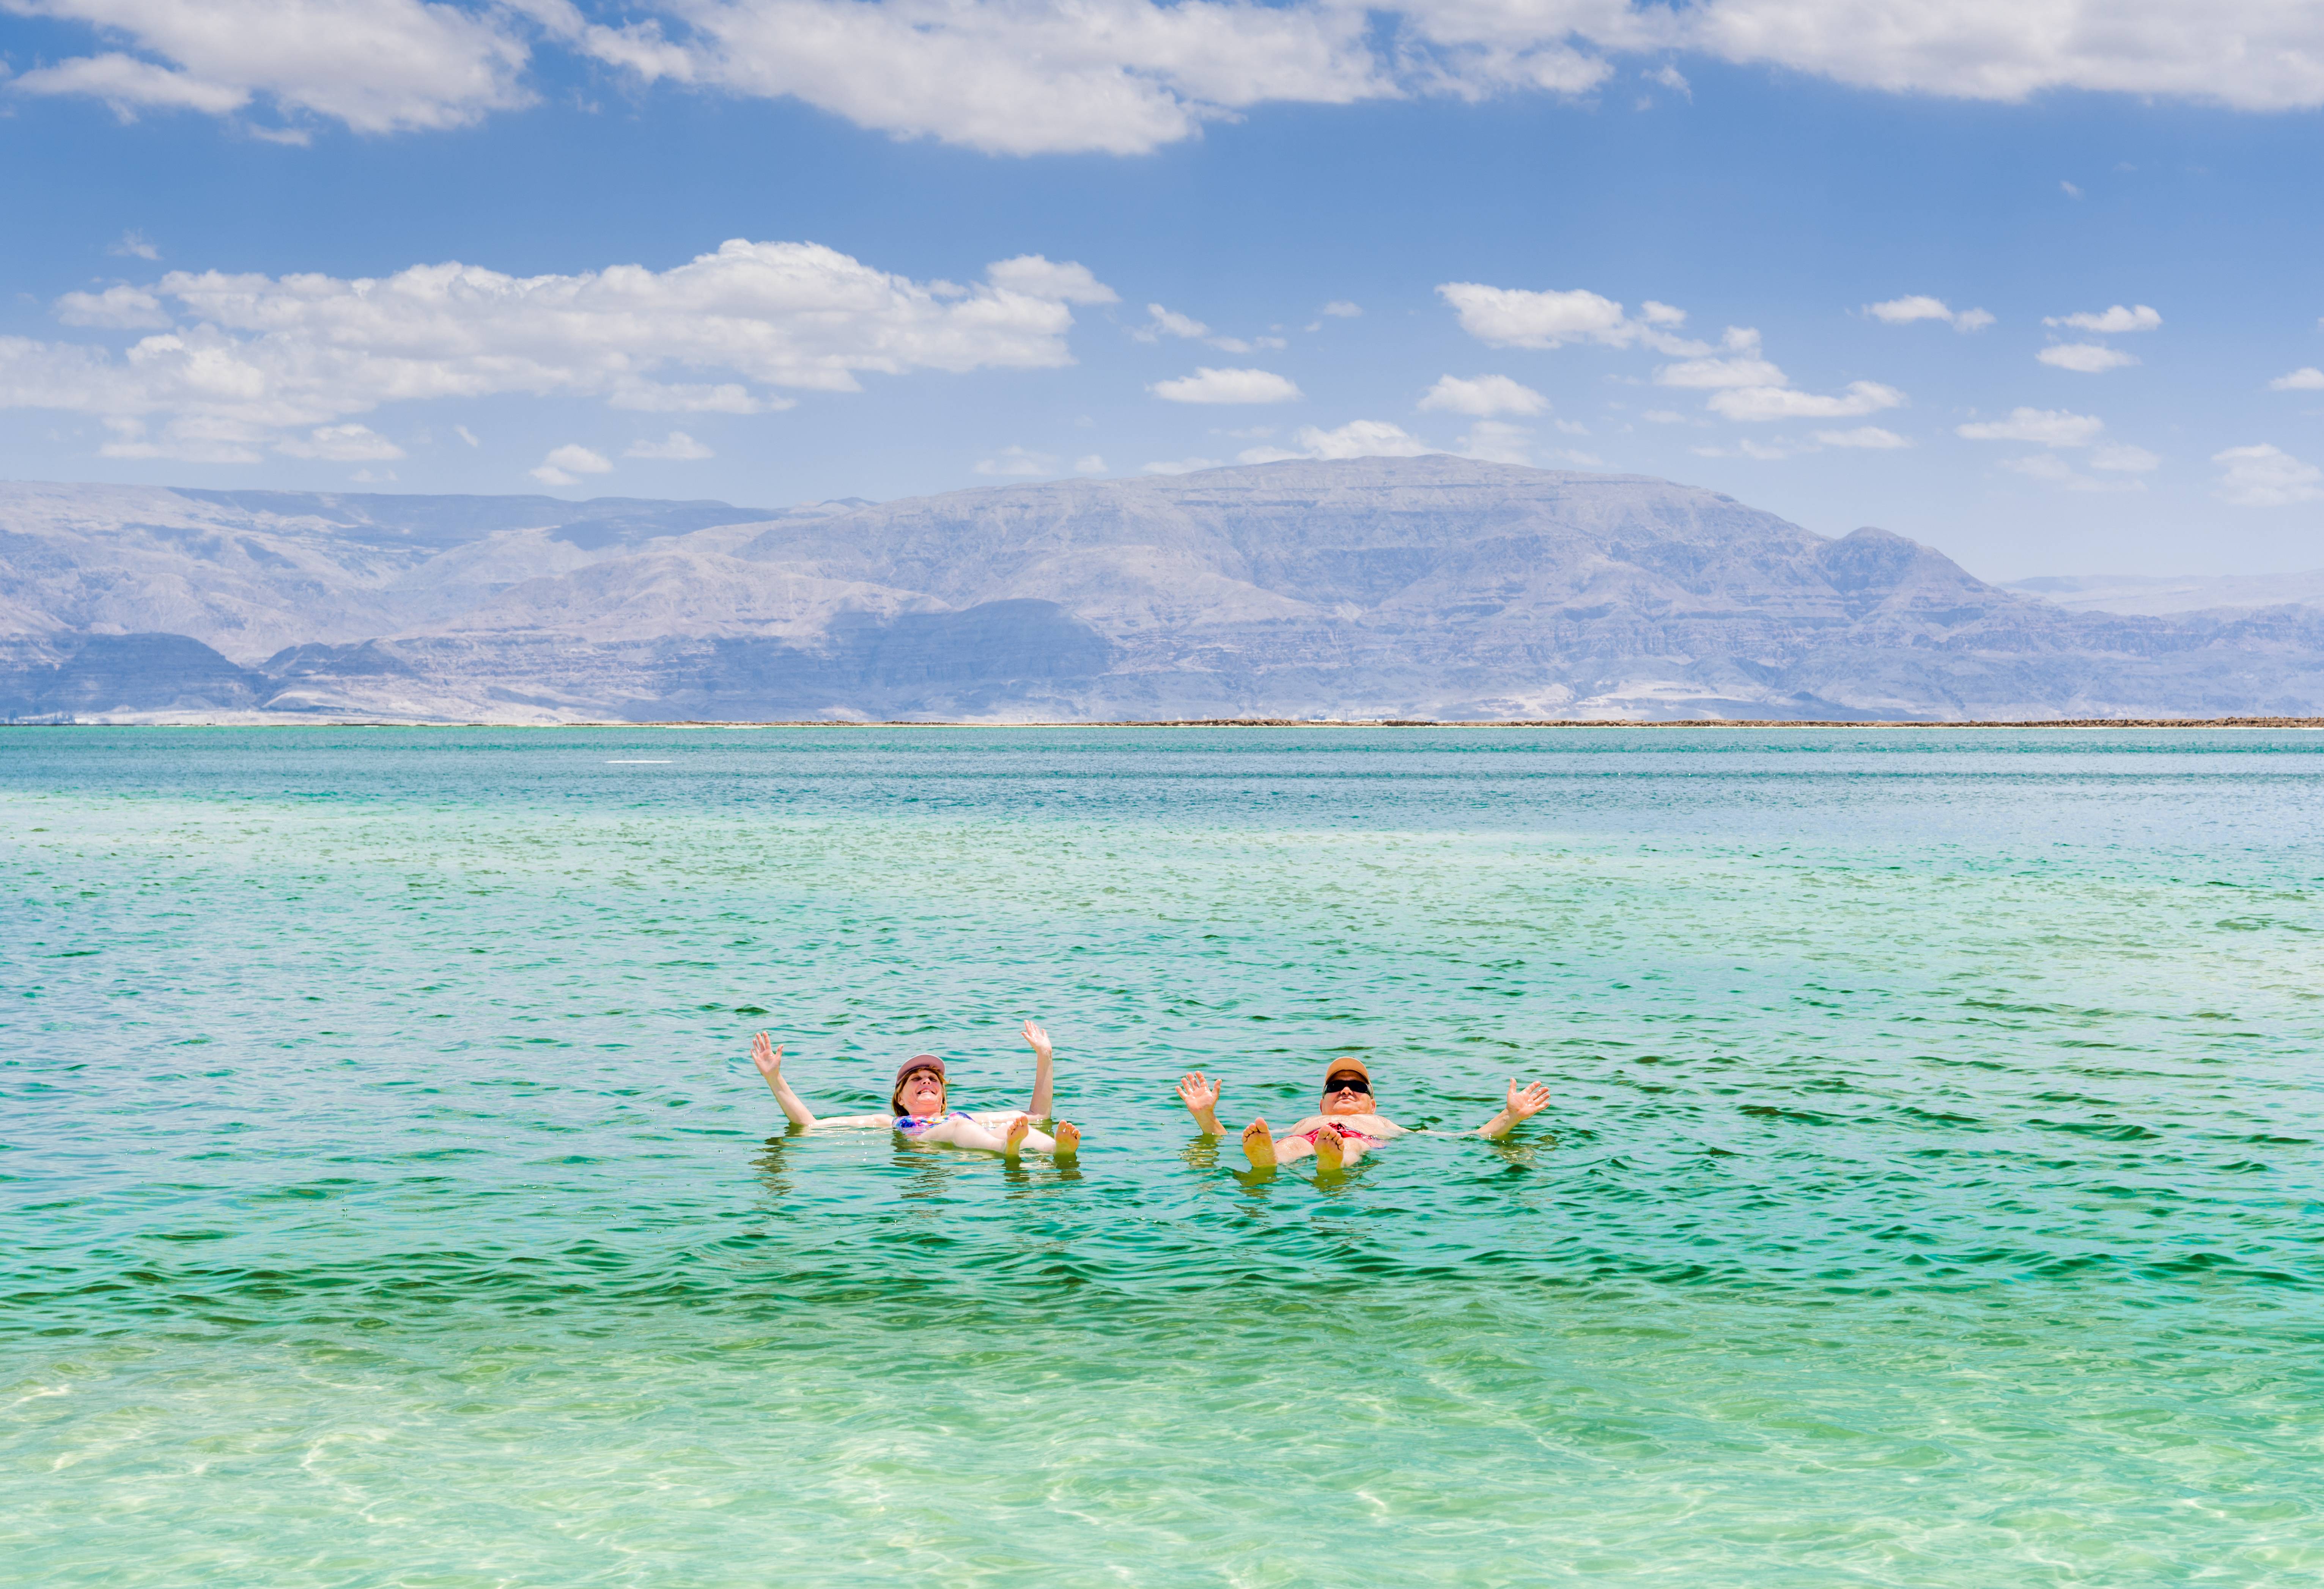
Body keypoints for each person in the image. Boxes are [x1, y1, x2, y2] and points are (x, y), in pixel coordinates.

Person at [747, 1019, 1081, 1161]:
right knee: (965, 1126)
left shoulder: (959, 1115)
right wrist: (774, 1079)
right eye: (916, 1079)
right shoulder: (888, 1123)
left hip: (978, 1142)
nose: (926, 1081)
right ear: (901, 1099)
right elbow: (810, 1125)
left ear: (943, 1096)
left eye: (933, 1079)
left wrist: (1045, 1056)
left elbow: (1038, 1115)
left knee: (1017, 1129)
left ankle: (1058, 1152)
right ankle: (1007, 1148)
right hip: (934, 1145)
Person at [1174, 1056, 1550, 1170]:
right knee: (1284, 1144)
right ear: (1321, 1103)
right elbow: (1222, 1141)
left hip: (1356, 1140)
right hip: (1309, 1138)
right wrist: (1205, 1117)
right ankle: (1267, 1160)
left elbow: (1466, 1138)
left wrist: (1510, 1116)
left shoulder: (1381, 1123)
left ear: (1373, 1103)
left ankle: (1331, 1161)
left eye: (1357, 1087)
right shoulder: (1306, 1123)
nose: (1346, 1090)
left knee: (1351, 1148)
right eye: (1335, 1087)